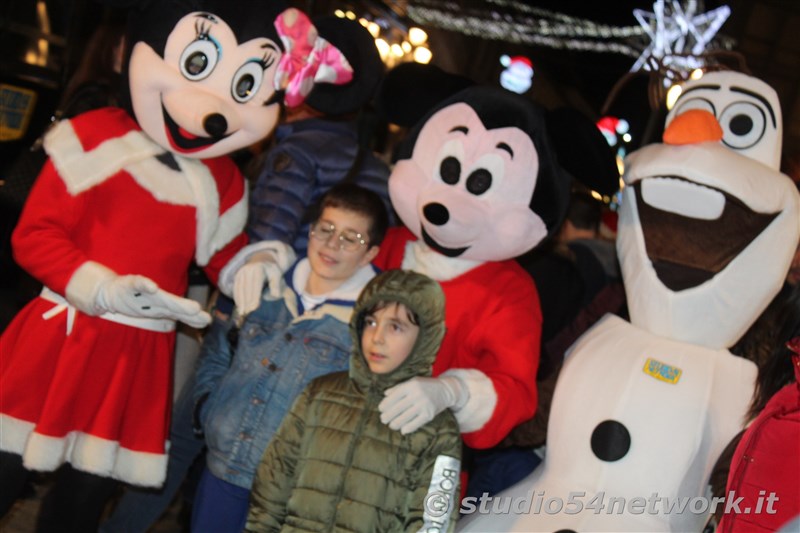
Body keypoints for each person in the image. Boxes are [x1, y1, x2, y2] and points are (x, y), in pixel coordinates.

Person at [99, 15, 390, 532]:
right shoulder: (376, 167)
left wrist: (238, 296)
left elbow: (266, 239)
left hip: (262, 316)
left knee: (185, 441)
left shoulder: (297, 148)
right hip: (324, 323)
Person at [189, 183, 388, 532]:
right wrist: (208, 408)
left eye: (350, 238)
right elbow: (220, 349)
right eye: (325, 229)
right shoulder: (267, 283)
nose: (331, 245)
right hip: (224, 464)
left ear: (370, 253)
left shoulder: (372, 325)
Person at [246, 269, 462, 533]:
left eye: (395, 327)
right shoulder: (319, 394)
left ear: (426, 337)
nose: (377, 337)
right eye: (371, 322)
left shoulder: (439, 427)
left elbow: (433, 522)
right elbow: (272, 485)